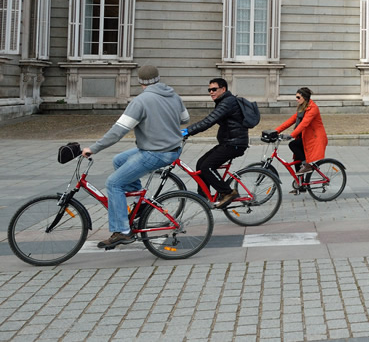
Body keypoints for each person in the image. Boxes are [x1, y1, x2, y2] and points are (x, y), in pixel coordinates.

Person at [81, 65, 190, 248]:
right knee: (119, 160)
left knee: (114, 183)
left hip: (156, 152)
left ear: (140, 82)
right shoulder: (173, 95)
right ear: (158, 78)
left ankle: (122, 231)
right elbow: (184, 119)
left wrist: (94, 148)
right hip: (172, 149)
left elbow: (118, 132)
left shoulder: (141, 101)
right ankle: (138, 204)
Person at [182, 78, 249, 208]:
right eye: (209, 90)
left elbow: (209, 121)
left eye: (214, 89)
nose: (211, 92)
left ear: (223, 89)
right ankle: (204, 197)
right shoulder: (223, 101)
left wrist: (187, 131)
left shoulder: (228, 102)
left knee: (207, 166)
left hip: (234, 144)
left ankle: (228, 192)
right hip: (228, 142)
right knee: (200, 163)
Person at [274, 87, 329, 194]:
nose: (296, 99)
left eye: (298, 97)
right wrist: (276, 131)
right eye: (296, 97)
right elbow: (291, 120)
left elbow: (304, 124)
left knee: (293, 145)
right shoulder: (302, 108)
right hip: (306, 137)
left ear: (304, 97)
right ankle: (301, 185)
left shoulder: (313, 108)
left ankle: (307, 165)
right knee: (297, 160)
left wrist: (291, 135)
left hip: (315, 138)